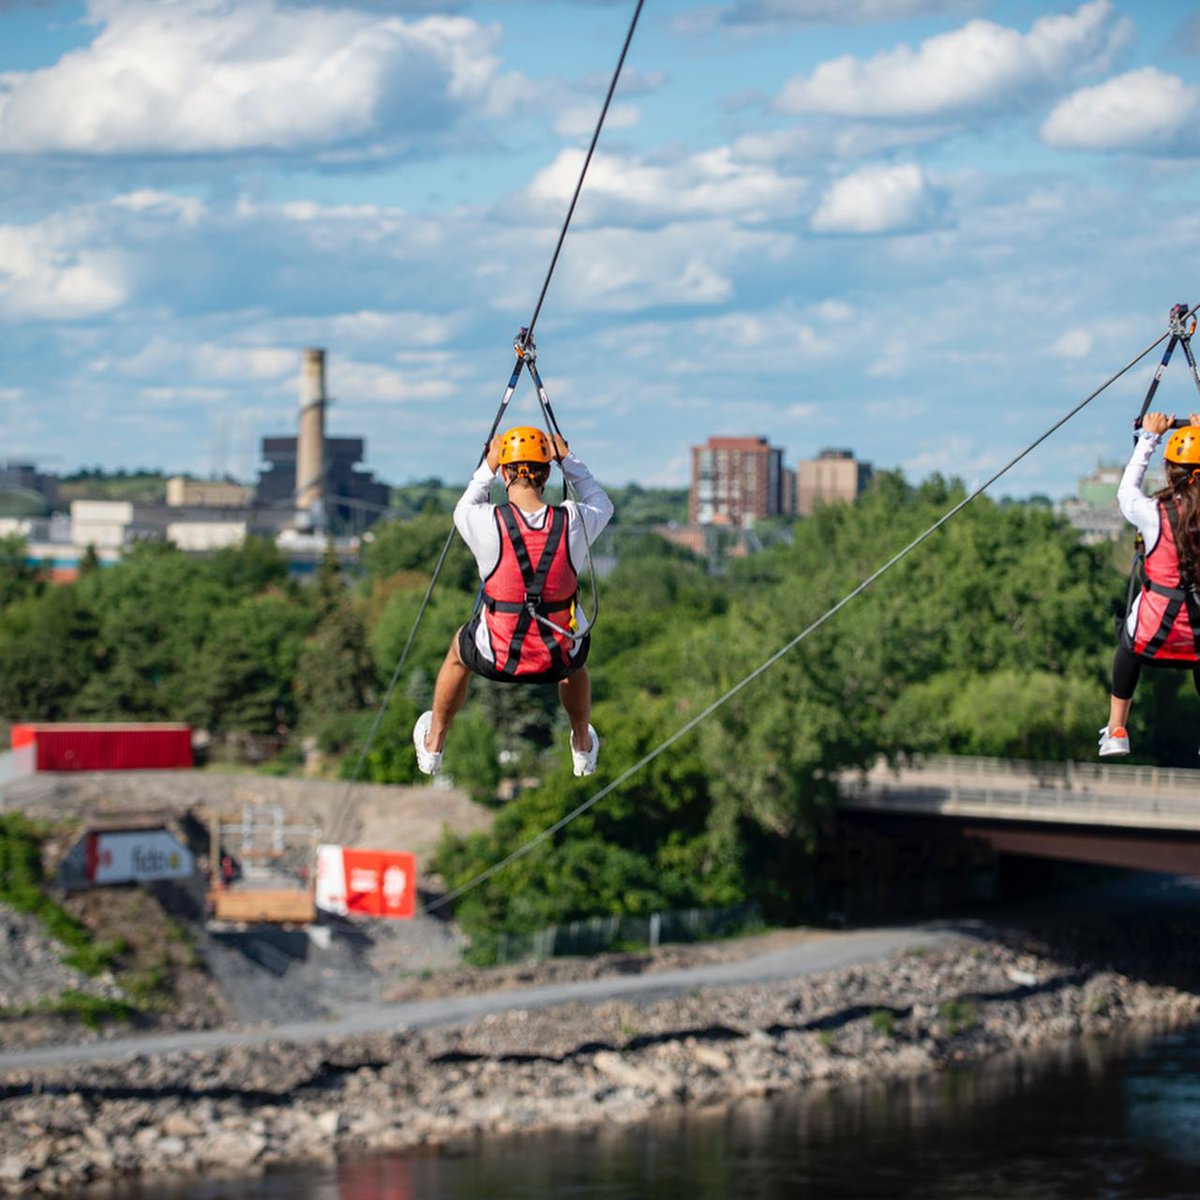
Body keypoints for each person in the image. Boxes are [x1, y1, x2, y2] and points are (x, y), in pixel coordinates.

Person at [413, 425, 614, 777]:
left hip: (497, 656)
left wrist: (487, 465)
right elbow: (602, 503)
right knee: (576, 654)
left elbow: (465, 505)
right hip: (558, 658)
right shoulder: (574, 521)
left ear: (505, 473)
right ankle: (582, 743)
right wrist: (569, 459)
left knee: (457, 653)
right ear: (547, 473)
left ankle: (435, 743)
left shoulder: (485, 521)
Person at [1099, 410, 1200, 756]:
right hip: (1198, 634)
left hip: (1154, 628)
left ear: (1170, 471)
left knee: (1127, 647)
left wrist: (1148, 438)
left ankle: (1117, 729)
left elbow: (1127, 491)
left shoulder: (1154, 514)